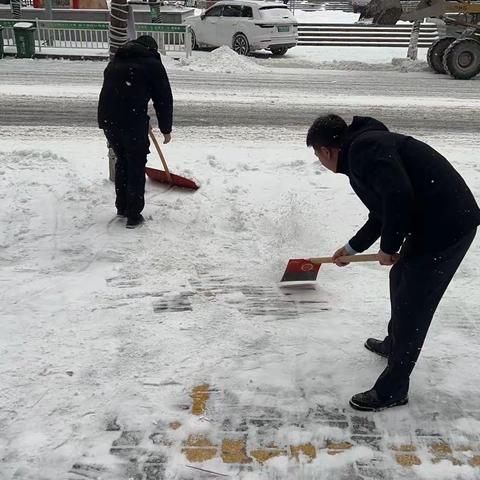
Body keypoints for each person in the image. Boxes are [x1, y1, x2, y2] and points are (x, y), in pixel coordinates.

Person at [306, 114, 480, 411]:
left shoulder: (364, 150)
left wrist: (389, 246)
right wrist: (351, 248)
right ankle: (394, 343)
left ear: (326, 151)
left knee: (414, 301)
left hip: (448, 225)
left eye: (317, 156)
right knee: (400, 279)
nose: (320, 162)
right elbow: (383, 209)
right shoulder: (362, 150)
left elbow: (398, 196)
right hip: (432, 219)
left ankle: (394, 388)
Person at [98, 35, 173, 228]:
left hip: (109, 119)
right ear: (152, 50)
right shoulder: (152, 64)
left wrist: (138, 114)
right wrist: (166, 129)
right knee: (136, 163)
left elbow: (115, 92)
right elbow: (163, 98)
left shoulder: (117, 60)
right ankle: (133, 215)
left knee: (123, 160)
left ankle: (122, 206)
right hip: (131, 119)